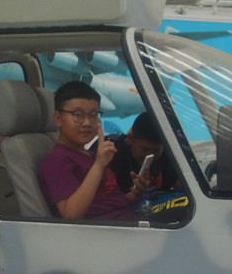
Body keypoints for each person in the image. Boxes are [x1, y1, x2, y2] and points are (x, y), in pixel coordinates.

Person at [38, 81, 146, 220]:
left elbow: (113, 204)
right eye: (78, 115)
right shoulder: (58, 161)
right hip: (106, 231)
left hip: (127, 221)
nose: (87, 123)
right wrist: (99, 165)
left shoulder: (90, 155)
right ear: (58, 118)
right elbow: (71, 214)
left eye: (93, 115)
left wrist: (136, 193)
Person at [108, 112, 179, 194]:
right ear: (130, 139)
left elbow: (178, 183)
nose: (150, 156)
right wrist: (136, 195)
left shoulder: (167, 155)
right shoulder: (111, 157)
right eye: (145, 150)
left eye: (156, 151)